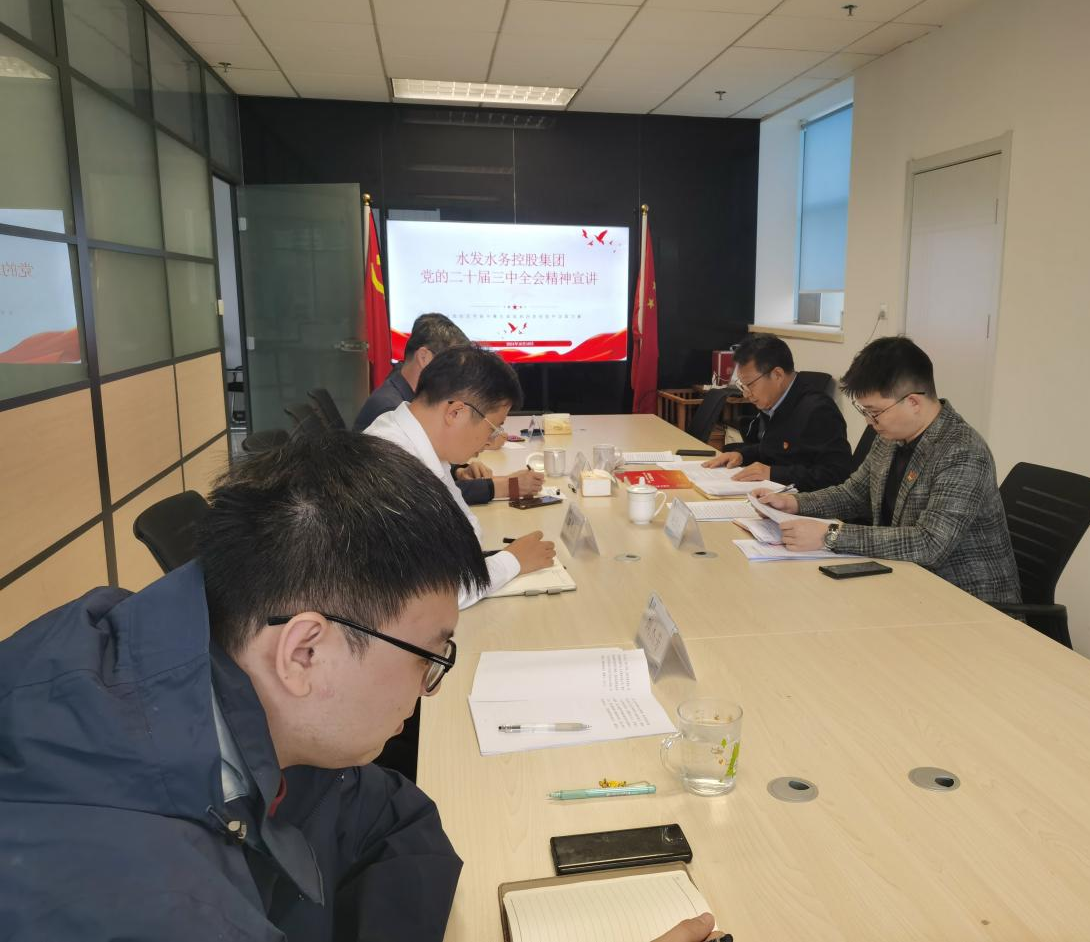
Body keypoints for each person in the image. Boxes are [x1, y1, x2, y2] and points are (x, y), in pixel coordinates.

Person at [0, 434, 720, 942]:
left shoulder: (187, 659)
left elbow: (393, 815)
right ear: (304, 651)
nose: (429, 688)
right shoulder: (156, 906)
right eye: (427, 656)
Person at [757, 336, 1021, 604]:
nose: (869, 422)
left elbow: (930, 544)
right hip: (905, 583)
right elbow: (853, 494)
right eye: (864, 411)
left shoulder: (962, 451)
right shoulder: (890, 438)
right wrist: (794, 503)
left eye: (875, 412)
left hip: (967, 602)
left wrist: (830, 535)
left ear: (913, 402)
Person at [364, 344, 556, 607]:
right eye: (493, 428)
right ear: (455, 412)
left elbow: (467, 532)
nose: (491, 441)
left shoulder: (421, 441)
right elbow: (437, 593)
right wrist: (513, 561)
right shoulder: (391, 466)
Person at [352, 312, 543, 504]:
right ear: (424, 357)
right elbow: (424, 494)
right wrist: (505, 486)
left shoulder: (416, 410)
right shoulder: (389, 410)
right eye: (455, 364)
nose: (462, 376)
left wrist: (458, 470)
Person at [702, 334, 852, 491]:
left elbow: (836, 476)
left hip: (804, 500)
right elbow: (772, 448)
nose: (746, 394)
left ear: (777, 375)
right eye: (742, 386)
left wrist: (773, 473)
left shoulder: (819, 410)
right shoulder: (775, 400)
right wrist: (742, 456)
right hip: (775, 495)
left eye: (750, 385)